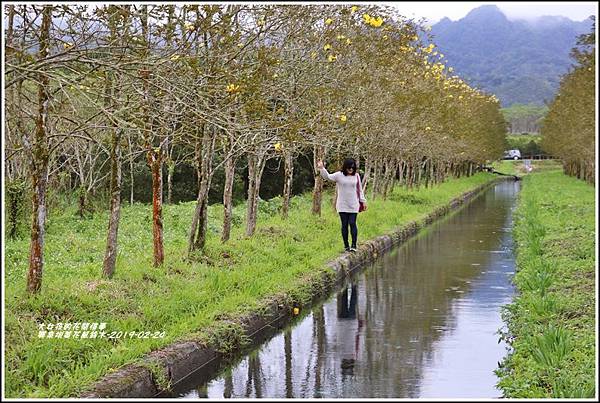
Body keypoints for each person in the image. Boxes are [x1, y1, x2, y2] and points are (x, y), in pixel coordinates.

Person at [317, 158, 367, 252]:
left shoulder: (356, 176)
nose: (351, 169)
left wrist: (363, 201)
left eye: (352, 167)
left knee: (352, 223)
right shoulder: (339, 175)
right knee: (344, 225)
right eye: (349, 167)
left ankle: (353, 245)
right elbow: (327, 177)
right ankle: (346, 245)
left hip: (353, 204)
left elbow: (359, 190)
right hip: (342, 204)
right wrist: (322, 168)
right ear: (345, 167)